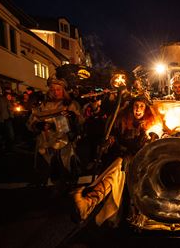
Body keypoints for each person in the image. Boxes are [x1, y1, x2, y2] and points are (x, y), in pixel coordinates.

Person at [72, 95, 159, 226]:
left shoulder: (152, 123)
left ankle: (90, 202)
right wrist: (109, 141)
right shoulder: (122, 120)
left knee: (119, 169)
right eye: (136, 106)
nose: (138, 109)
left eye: (141, 106)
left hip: (140, 161)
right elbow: (114, 135)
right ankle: (90, 203)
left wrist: (150, 138)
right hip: (121, 157)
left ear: (146, 108)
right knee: (114, 173)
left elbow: (152, 144)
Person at [27, 77, 84, 188]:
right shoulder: (43, 105)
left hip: (64, 141)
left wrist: (73, 118)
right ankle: (54, 186)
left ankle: (69, 187)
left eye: (58, 89)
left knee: (66, 164)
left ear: (63, 90)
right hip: (45, 141)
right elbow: (31, 121)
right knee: (48, 165)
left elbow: (80, 121)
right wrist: (38, 125)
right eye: (53, 89)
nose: (55, 92)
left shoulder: (70, 104)